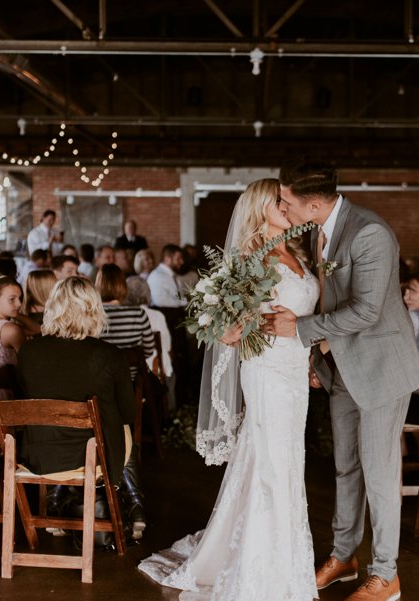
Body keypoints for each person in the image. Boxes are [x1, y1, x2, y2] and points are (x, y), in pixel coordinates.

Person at [139, 178, 321, 600]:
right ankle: (263, 564)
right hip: (266, 369)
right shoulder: (246, 258)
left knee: (287, 459)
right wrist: (229, 331)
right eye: (278, 201)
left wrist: (311, 357)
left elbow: (304, 314)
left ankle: (284, 553)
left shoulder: (297, 252)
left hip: (295, 372)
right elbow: (220, 323)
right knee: (271, 461)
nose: (286, 205)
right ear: (260, 207)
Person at [266, 163, 419, 600]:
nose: (282, 208)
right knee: (345, 468)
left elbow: (366, 312)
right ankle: (344, 555)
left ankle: (386, 574)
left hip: (381, 370)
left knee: (378, 472)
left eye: (287, 203)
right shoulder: (319, 231)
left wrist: (299, 330)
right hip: (342, 369)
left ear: (314, 204)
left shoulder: (369, 232)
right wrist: (319, 358)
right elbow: (330, 295)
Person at [16, 277, 141, 540]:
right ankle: (132, 504)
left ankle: (58, 502)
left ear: (53, 308)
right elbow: (128, 414)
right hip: (93, 459)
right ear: (94, 310)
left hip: (38, 456)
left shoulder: (28, 352)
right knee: (124, 429)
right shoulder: (110, 355)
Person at [125, 275, 174, 409]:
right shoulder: (157, 316)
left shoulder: (124, 317)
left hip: (130, 374)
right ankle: (169, 410)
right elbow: (167, 346)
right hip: (156, 371)